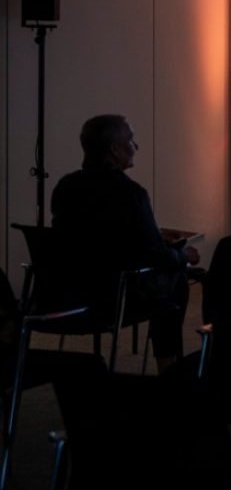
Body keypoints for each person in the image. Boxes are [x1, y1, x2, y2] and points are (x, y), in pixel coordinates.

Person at [50, 115, 198, 372]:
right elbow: (155, 256)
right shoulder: (131, 194)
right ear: (115, 150)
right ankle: (169, 366)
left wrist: (151, 236)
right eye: (131, 140)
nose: (136, 147)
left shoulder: (65, 187)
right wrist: (184, 255)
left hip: (67, 291)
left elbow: (90, 236)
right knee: (177, 278)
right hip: (114, 297)